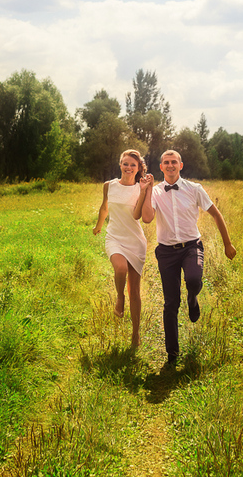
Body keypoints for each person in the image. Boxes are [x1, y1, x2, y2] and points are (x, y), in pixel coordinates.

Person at [134, 149, 236, 367]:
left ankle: (193, 297)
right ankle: (172, 355)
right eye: (166, 162)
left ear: (181, 165)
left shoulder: (194, 189)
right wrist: (147, 191)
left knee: (193, 281)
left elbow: (216, 214)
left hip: (192, 247)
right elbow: (148, 218)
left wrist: (227, 243)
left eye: (174, 162)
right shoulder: (157, 192)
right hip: (166, 252)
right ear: (161, 167)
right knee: (170, 303)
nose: (170, 165)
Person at [93, 149, 148, 347]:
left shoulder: (140, 188)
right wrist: (98, 225)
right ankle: (119, 297)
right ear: (120, 164)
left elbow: (137, 215)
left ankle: (136, 334)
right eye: (125, 163)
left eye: (133, 165)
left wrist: (143, 191)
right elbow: (104, 207)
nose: (128, 167)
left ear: (138, 168)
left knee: (135, 292)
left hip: (135, 240)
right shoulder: (109, 185)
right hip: (114, 237)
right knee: (121, 268)